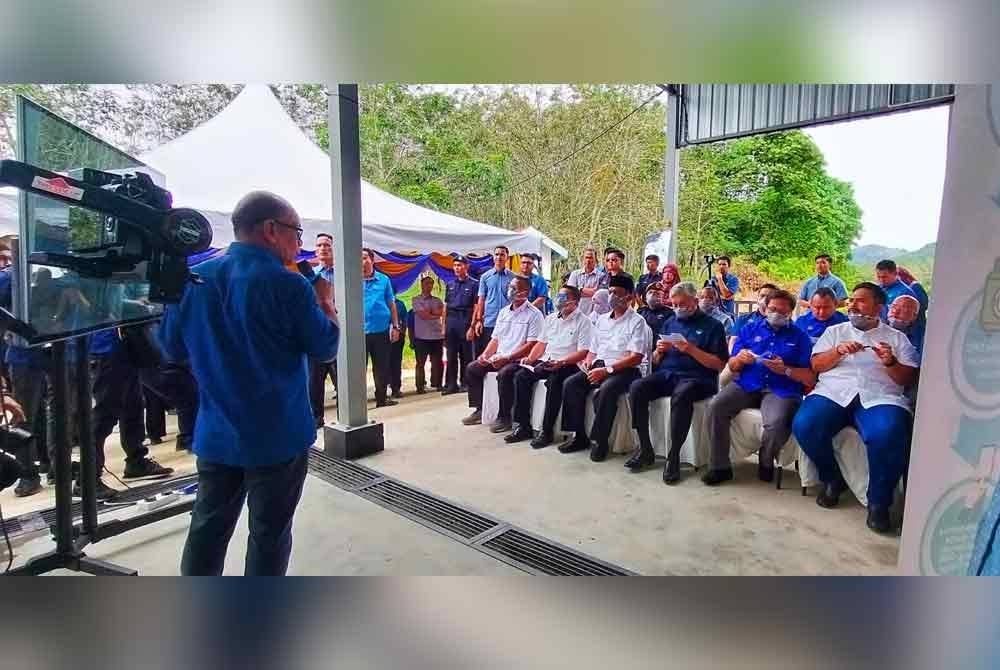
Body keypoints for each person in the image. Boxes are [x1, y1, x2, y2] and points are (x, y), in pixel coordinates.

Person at [159, 191, 339, 576]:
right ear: (271, 230)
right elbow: (325, 347)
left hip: (217, 432)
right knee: (268, 535)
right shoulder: (288, 284)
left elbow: (170, 346)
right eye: (297, 233)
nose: (300, 244)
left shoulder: (195, 278)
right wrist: (326, 304)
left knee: (207, 530)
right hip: (277, 437)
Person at [791, 282, 920, 535]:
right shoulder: (836, 331)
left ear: (878, 307)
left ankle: (879, 503)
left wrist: (890, 362)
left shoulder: (897, 338)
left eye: (860, 300)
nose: (852, 304)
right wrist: (838, 351)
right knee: (805, 424)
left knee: (889, 432)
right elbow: (817, 365)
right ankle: (832, 479)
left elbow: (907, 379)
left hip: (879, 396)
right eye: (851, 300)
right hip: (834, 392)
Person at [702, 290, 815, 485]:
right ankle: (719, 467)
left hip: (781, 388)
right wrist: (740, 359)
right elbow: (733, 365)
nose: (776, 314)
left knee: (777, 422)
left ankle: (766, 457)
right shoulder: (750, 329)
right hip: (748, 383)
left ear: (790, 312)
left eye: (782, 311)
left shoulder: (800, 337)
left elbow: (808, 376)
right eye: (772, 309)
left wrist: (785, 369)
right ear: (765, 308)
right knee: (715, 407)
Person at [626, 282, 728, 483]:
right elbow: (655, 360)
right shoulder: (670, 322)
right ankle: (646, 448)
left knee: (682, 394)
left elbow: (718, 364)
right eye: (674, 304)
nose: (678, 308)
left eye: (682, 304)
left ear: (694, 301)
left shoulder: (712, 326)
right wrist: (658, 351)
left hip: (698, 378)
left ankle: (674, 456)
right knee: (637, 387)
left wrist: (690, 349)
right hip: (668, 374)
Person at [559, 274, 646, 462]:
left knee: (606, 390)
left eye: (617, 293)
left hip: (624, 370)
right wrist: (588, 362)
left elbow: (636, 357)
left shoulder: (637, 321)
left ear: (629, 297)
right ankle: (578, 436)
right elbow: (593, 349)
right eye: (611, 292)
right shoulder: (603, 319)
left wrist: (607, 370)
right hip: (600, 365)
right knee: (571, 384)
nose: (612, 296)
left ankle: (600, 440)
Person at [90, 329, 174, 498]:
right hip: (105, 347)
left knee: (133, 405)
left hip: (126, 345)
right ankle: (88, 478)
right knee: (105, 415)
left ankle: (136, 461)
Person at [505, 285, 592, 447]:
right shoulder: (551, 318)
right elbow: (541, 344)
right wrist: (530, 359)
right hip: (547, 360)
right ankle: (523, 426)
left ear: (575, 302)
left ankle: (547, 431)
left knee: (554, 382)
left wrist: (562, 362)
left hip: (568, 363)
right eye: (558, 296)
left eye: (563, 297)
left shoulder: (584, 322)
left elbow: (583, 352)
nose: (558, 300)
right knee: (521, 376)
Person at [461, 275, 543, 431]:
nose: (509, 290)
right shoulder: (504, 312)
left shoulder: (534, 315)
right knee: (473, 368)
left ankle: (504, 417)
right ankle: (480, 409)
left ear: (525, 293)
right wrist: (485, 355)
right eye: (509, 287)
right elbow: (496, 339)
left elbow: (531, 344)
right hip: (499, 356)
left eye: (514, 288)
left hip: (518, 359)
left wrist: (508, 358)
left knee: (505, 374)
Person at [362, 248, 402, 408]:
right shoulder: (350, 279)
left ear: (372, 260)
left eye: (364, 258)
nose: (361, 262)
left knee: (381, 367)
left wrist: (396, 326)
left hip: (381, 331)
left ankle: (381, 398)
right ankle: (358, 402)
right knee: (359, 369)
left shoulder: (384, 280)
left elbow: (391, 304)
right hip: (358, 333)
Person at [309, 233, 338, 425]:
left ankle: (344, 416)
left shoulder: (345, 274)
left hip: (340, 330)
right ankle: (317, 418)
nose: (323, 249)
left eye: (327, 245)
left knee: (342, 379)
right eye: (319, 246)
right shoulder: (311, 276)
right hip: (318, 331)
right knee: (315, 380)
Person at [442, 256, 478, 395]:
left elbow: (476, 307)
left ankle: (466, 383)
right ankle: (451, 384)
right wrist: (443, 326)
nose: (457, 268)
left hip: (466, 320)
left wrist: (473, 326)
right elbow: (446, 306)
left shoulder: (474, 284)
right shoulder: (450, 284)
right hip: (452, 320)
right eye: (455, 265)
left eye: (460, 265)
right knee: (451, 355)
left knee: (466, 354)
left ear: (466, 267)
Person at [471, 246, 514, 357]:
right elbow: (481, 299)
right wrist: (479, 320)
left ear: (507, 257)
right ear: (493, 257)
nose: (499, 257)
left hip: (508, 322)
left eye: (502, 254)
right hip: (490, 321)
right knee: (487, 354)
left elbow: (515, 300)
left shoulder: (513, 278)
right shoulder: (485, 277)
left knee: (504, 354)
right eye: (497, 254)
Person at [411, 275, 445, 394]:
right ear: (422, 285)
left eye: (431, 283)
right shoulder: (416, 299)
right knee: (420, 363)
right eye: (426, 283)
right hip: (422, 336)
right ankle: (420, 386)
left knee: (437, 361)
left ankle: (438, 383)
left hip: (436, 335)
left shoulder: (437, 300)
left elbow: (442, 313)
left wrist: (432, 313)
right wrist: (435, 314)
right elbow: (423, 315)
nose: (429, 286)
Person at [728, 283, 779, 348]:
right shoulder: (743, 319)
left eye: (770, 297)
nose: (765, 299)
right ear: (757, 298)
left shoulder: (782, 321)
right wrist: (735, 356)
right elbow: (733, 342)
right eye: (762, 296)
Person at [887, 294, 925, 360]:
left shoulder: (922, 337)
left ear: (914, 316)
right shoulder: (876, 326)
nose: (895, 312)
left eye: (903, 309)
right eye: (893, 307)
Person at [567, 245, 603, 315]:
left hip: (595, 317)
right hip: (576, 315)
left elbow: (600, 295)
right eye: (586, 257)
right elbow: (570, 294)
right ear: (582, 259)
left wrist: (579, 289)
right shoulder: (575, 274)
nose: (588, 260)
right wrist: (591, 291)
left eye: (591, 258)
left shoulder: (601, 276)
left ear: (595, 259)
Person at [389, 296, 408, 399]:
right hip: (382, 335)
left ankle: (396, 388)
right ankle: (384, 389)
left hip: (397, 336)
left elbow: (405, 320)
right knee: (383, 364)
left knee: (396, 363)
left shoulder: (400, 304)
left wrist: (402, 333)